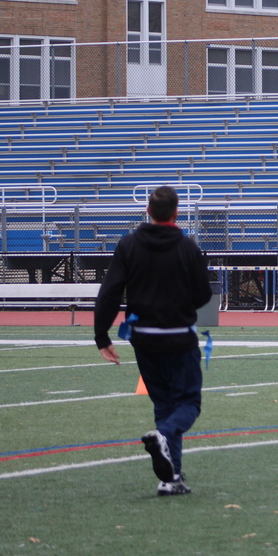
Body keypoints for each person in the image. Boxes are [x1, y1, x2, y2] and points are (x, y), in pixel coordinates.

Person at [94, 185, 213, 496]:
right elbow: (203, 296)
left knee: (163, 403)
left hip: (144, 339)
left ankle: (171, 478)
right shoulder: (188, 248)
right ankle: (165, 437)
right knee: (187, 404)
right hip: (178, 337)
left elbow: (110, 292)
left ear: (148, 211)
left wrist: (101, 335)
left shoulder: (128, 245)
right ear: (175, 213)